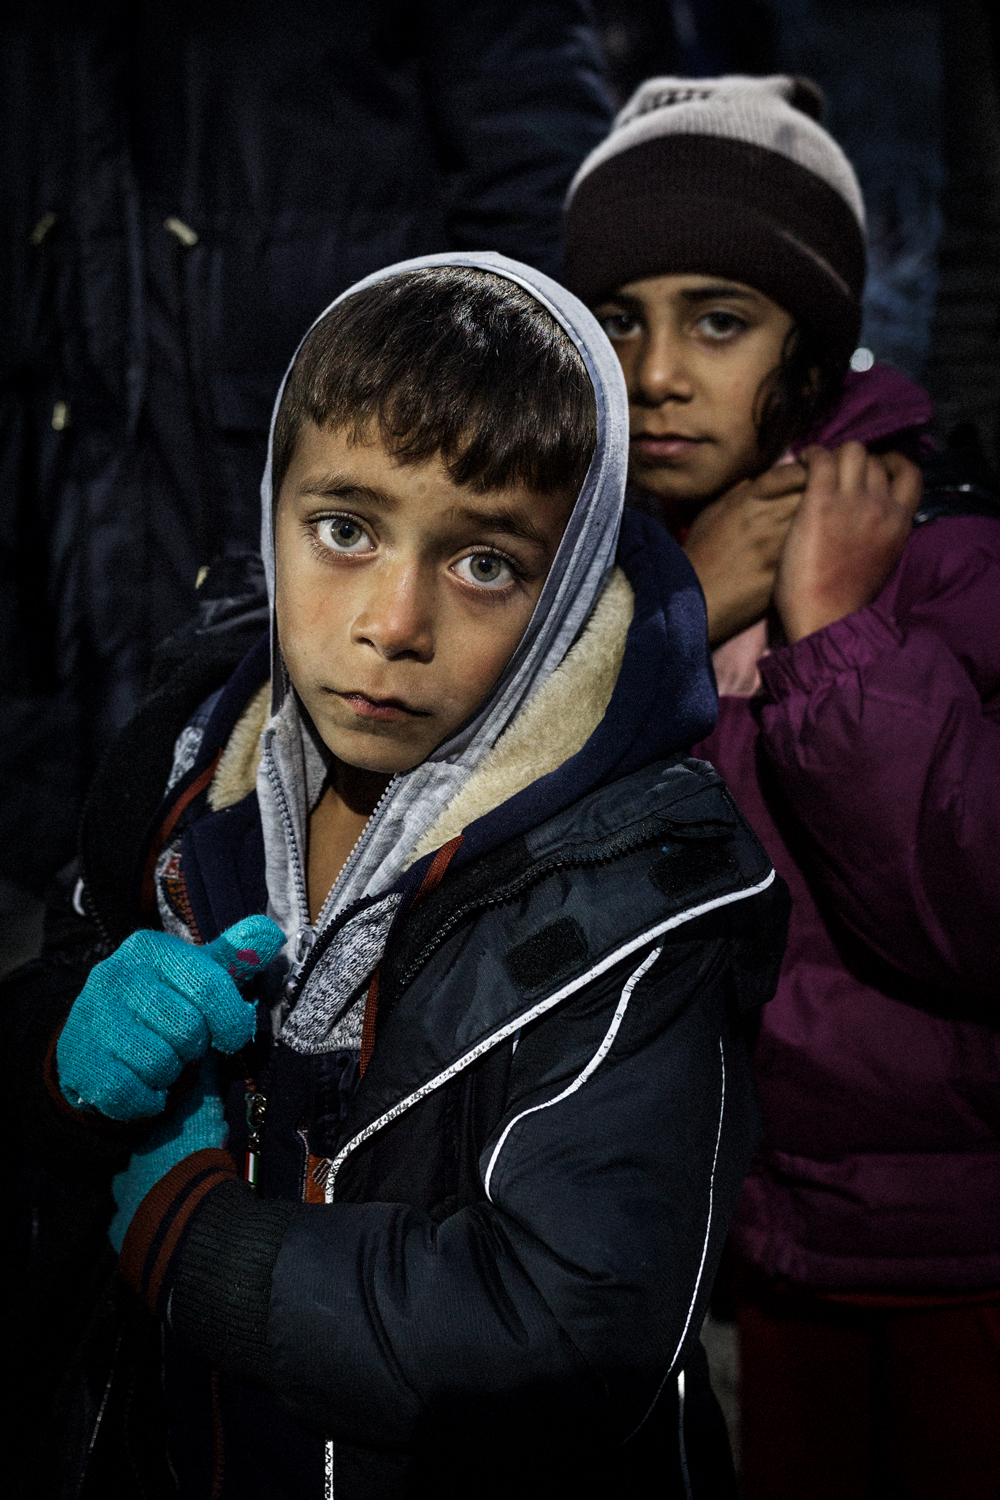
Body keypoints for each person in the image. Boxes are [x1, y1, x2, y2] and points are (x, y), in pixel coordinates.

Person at [4, 254, 789, 1499]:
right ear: (271, 509)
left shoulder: (637, 894)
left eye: (484, 562)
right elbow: (48, 996)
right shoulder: (178, 767)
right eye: (345, 530)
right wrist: (63, 1050)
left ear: (571, 574)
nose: (392, 621)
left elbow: (570, 1333)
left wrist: (191, 1237)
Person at [562, 74, 1000, 1500]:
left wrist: (839, 632)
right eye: (620, 318)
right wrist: (677, 616)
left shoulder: (945, 576)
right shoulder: (594, 576)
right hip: (746, 1248)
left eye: (720, 320)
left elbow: (968, 907)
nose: (660, 369)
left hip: (955, 1248)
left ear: (813, 346)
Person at [0, 0, 614, 909]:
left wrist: (471, 441)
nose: (394, 622)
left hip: (340, 459)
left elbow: (537, 187)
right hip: (87, 568)